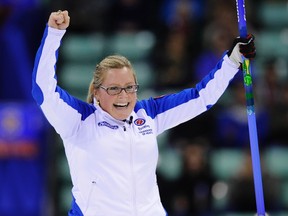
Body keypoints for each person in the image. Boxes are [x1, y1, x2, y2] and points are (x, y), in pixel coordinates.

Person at [31, 10, 256, 216]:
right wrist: (54, 35)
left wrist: (232, 61)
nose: (123, 96)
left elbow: (201, 97)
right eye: (114, 89)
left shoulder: (147, 114)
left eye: (130, 88)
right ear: (97, 92)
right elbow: (43, 89)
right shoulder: (78, 120)